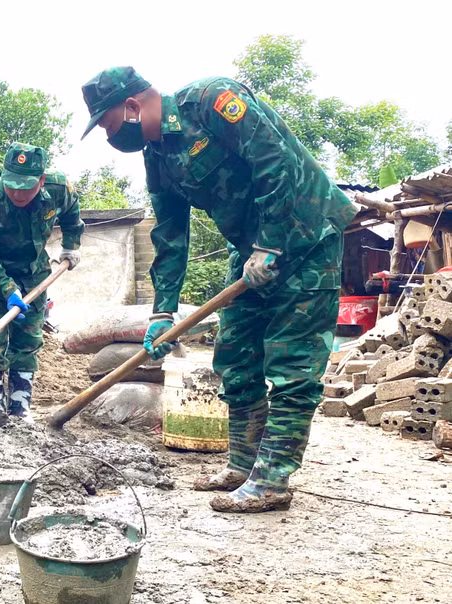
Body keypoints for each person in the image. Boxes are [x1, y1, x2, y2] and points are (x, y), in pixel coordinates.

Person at [80, 67, 357, 513]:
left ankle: (272, 480)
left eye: (109, 124)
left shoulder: (212, 101)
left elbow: (275, 161)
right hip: (250, 252)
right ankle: (244, 464)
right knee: (235, 356)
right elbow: (169, 235)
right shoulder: (157, 154)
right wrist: (162, 313)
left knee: (292, 362)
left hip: (305, 237)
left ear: (131, 106)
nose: (110, 136)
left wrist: (270, 244)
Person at [0, 142, 85, 422]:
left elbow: (72, 213)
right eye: (12, 185)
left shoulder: (58, 189)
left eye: (26, 186)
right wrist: (8, 290)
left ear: (42, 180)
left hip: (34, 276)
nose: (18, 192)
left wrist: (71, 245)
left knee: (28, 341)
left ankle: (20, 410)